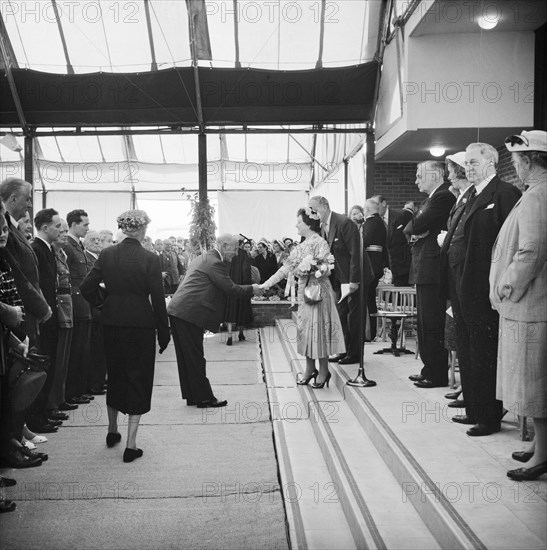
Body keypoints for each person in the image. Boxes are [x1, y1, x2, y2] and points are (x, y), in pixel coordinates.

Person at [81, 210, 170, 463]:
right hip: (141, 324)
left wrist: (105, 303)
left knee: (116, 373)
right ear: (142, 230)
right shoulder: (150, 258)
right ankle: (131, 445)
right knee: (138, 378)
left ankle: (112, 431)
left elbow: (86, 287)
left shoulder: (107, 254)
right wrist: (164, 333)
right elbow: (158, 299)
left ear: (122, 229)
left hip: (111, 323)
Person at [448, 143, 521, 437]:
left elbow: (510, 242)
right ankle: (474, 409)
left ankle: (489, 415)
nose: (468, 168)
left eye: (474, 162)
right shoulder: (472, 196)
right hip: (462, 283)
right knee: (467, 348)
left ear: (491, 162)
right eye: (466, 163)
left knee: (484, 351)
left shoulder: (503, 194)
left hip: (483, 285)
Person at [490, 130, 546, 480]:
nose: (516, 167)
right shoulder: (535, 193)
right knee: (533, 384)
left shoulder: (539, 195)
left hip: (531, 305)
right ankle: (541, 445)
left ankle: (542, 455)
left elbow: (532, 249)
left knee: (535, 385)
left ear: (529, 161)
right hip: (529, 305)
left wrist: (507, 284)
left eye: (516, 161)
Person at [167, 234, 263, 408]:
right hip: (189, 313)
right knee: (195, 357)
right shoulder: (215, 262)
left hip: (180, 311)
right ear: (224, 246)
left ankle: (192, 395)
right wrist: (252, 289)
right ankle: (204, 398)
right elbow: (230, 288)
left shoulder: (203, 257)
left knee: (186, 357)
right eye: (234, 248)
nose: (235, 253)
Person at [261, 207, 345, 388]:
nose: (296, 225)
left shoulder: (320, 242)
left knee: (319, 331)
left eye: (299, 222)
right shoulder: (300, 247)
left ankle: (323, 370)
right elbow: (284, 269)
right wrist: (265, 285)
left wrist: (313, 269)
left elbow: (328, 267)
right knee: (306, 331)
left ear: (308, 224)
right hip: (304, 294)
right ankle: (309, 368)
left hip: (318, 293)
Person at [404, 161, 456, 389]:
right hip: (425, 268)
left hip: (433, 269)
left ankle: (437, 374)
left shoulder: (443, 197)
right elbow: (415, 227)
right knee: (424, 323)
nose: (416, 181)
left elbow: (415, 225)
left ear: (435, 175)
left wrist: (416, 228)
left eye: (419, 176)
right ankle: (429, 368)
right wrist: (416, 228)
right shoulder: (430, 199)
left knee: (432, 323)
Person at [308, 196, 361, 365]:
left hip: (352, 278)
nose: (311, 214)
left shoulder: (344, 223)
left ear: (324, 207)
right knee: (341, 314)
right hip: (338, 278)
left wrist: (354, 280)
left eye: (313, 209)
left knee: (354, 316)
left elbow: (355, 253)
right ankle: (343, 350)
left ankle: (355, 353)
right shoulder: (323, 226)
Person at [28, 209, 62, 431]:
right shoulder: (36, 249)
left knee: (51, 364)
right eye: (57, 226)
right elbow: (35, 285)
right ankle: (37, 418)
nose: (60, 230)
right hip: (44, 317)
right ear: (45, 227)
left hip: (51, 315)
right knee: (43, 365)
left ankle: (45, 412)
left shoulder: (48, 249)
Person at [63, 209, 92, 406]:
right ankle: (72, 392)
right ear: (74, 224)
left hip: (83, 305)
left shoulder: (77, 245)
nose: (88, 228)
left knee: (82, 351)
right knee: (75, 352)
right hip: (76, 304)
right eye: (85, 224)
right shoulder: (67, 245)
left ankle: (79, 389)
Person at [362, 199, 388, 341]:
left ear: (367, 209)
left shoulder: (370, 222)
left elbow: (364, 241)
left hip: (370, 264)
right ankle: (370, 331)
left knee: (367, 299)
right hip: (377, 263)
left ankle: (368, 332)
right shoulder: (381, 223)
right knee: (370, 298)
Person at [224, 237, 254, 346]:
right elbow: (247, 271)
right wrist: (248, 286)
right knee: (241, 310)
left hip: (229, 286)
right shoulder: (244, 254)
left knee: (230, 310)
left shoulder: (227, 254)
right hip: (241, 286)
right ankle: (241, 333)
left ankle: (229, 336)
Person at [386, 202, 414, 287]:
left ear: (383, 203)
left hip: (404, 265)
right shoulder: (375, 221)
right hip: (390, 267)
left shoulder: (402, 215)